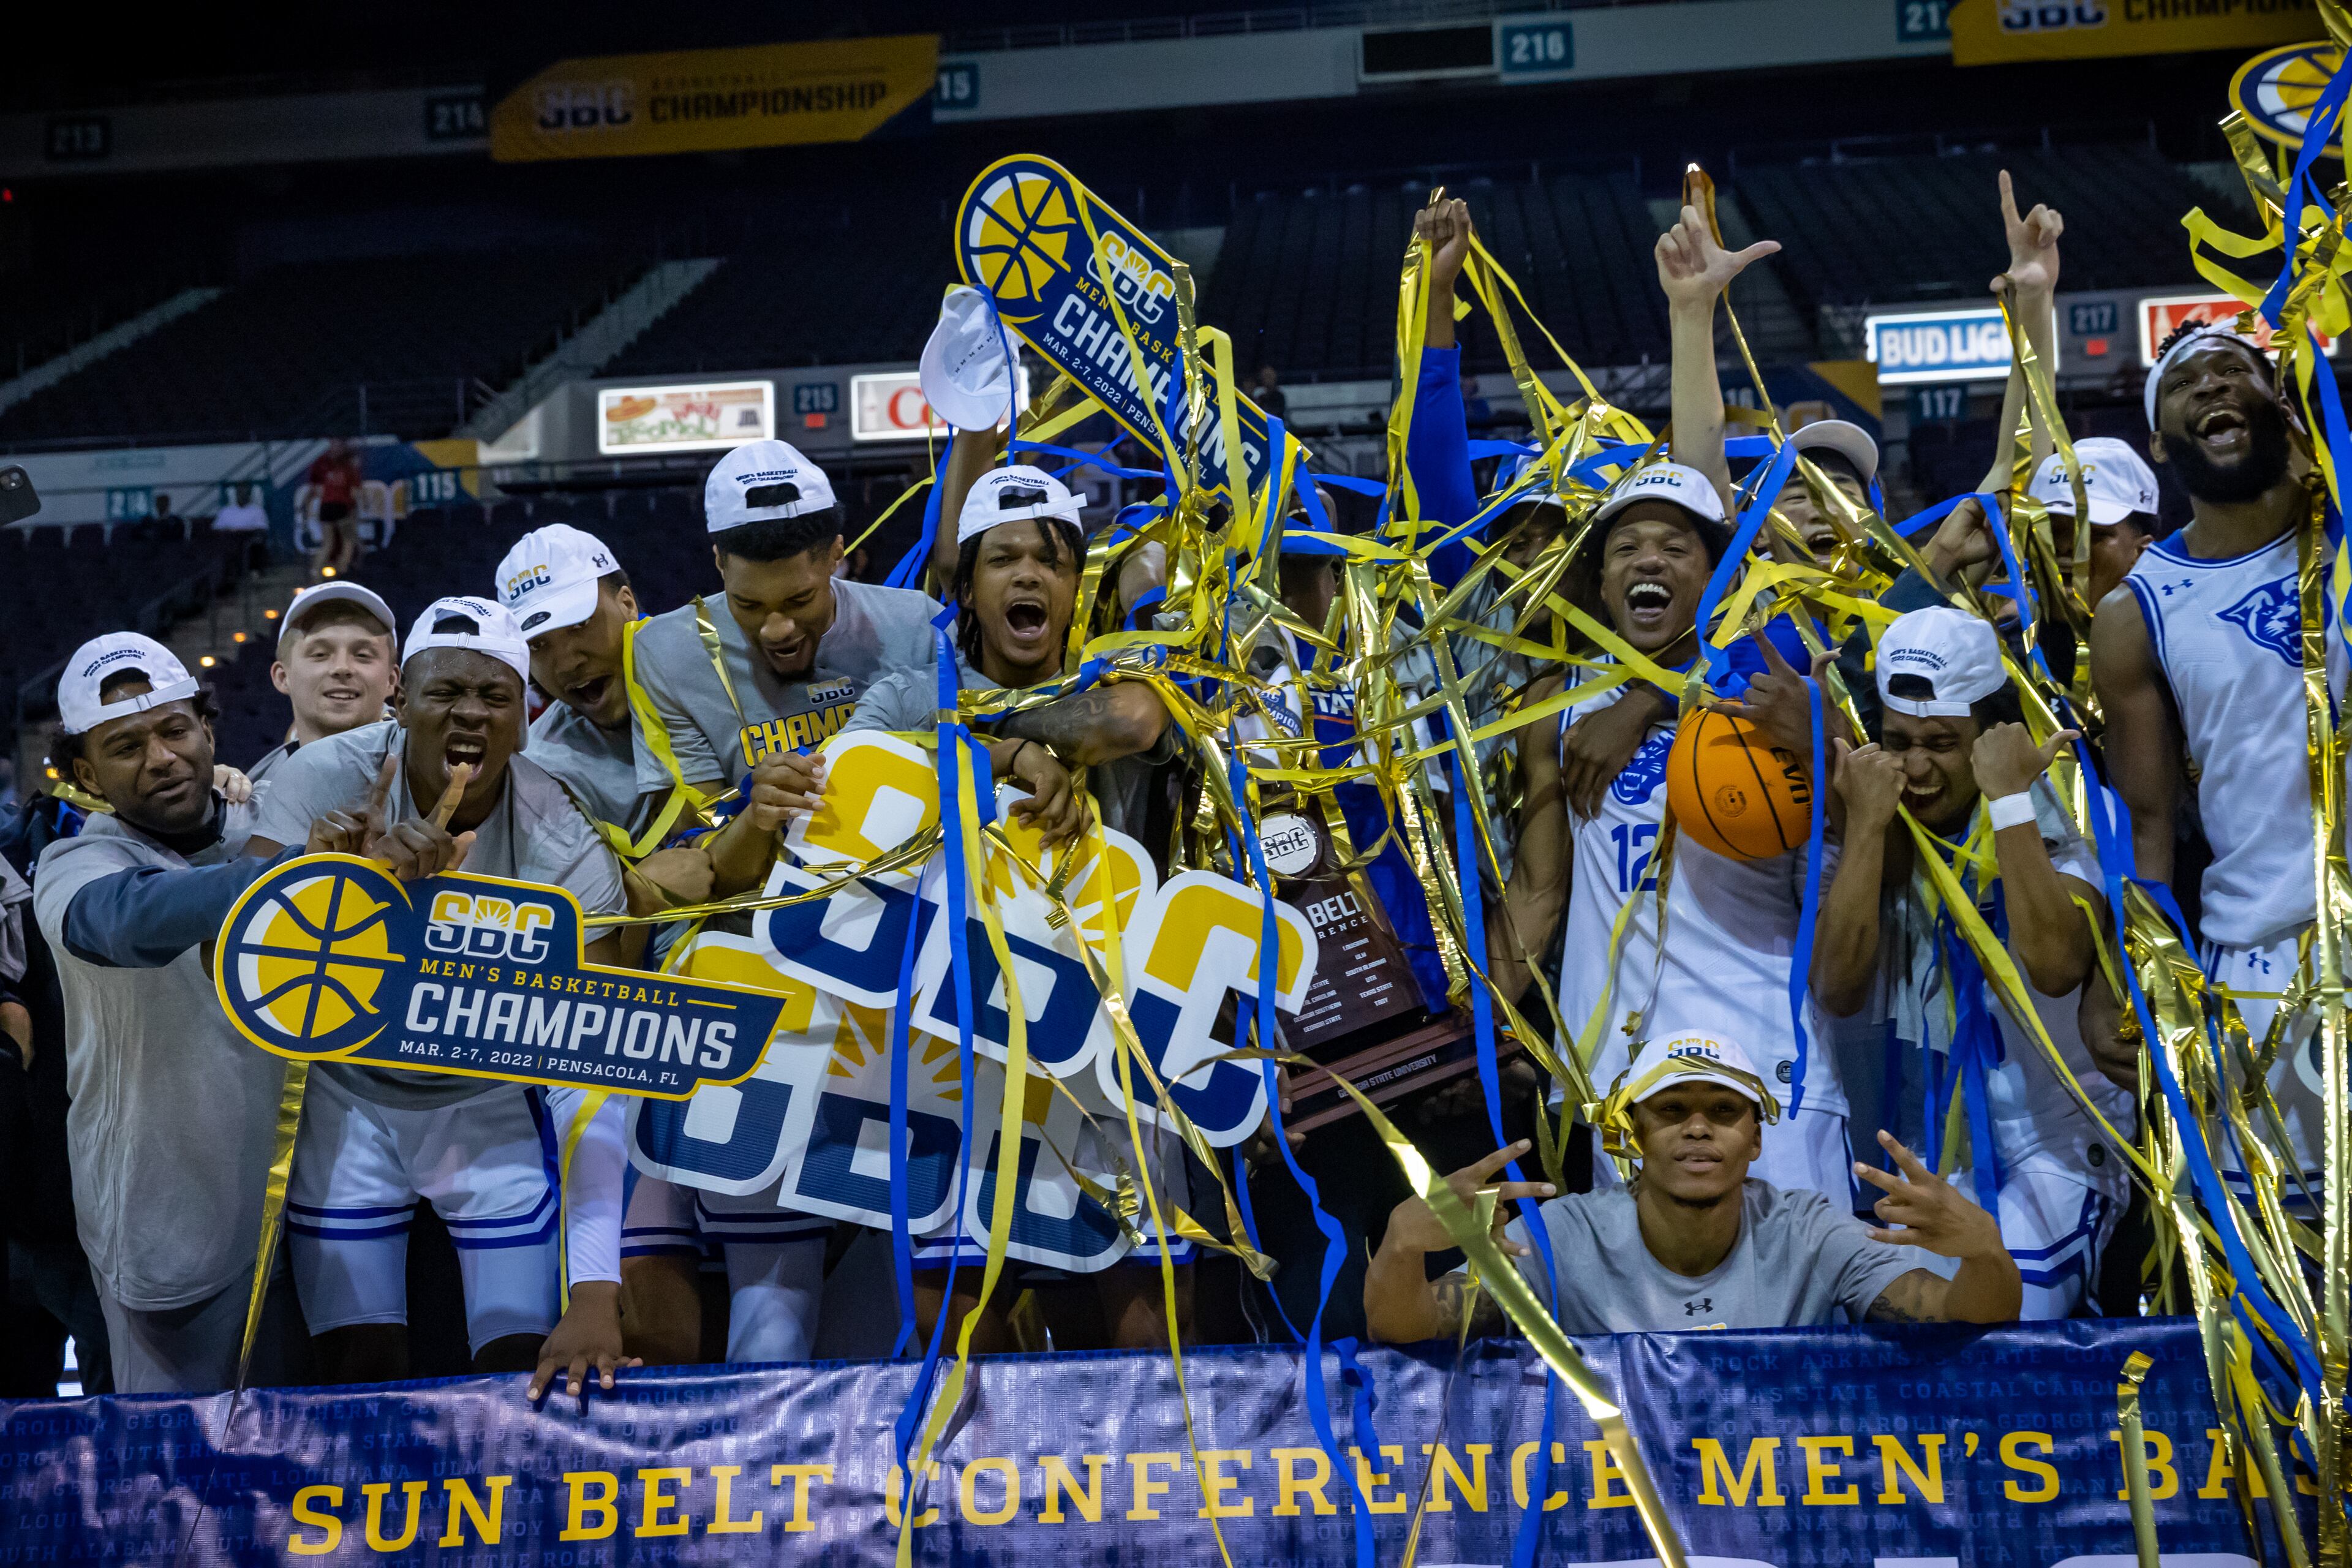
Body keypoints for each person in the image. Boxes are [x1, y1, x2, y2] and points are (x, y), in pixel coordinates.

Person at [241, 597, 636, 1401]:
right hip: (348, 1098)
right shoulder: (318, 779)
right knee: (357, 1373)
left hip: (485, 1101)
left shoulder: (563, 838)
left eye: (496, 697)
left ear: (526, 722)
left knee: (521, 1369)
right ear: (400, 704)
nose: (470, 713)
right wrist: (351, 893)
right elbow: (241, 957)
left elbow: (591, 1066)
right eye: (443, 692)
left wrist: (596, 1288)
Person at [843, 461, 1185, 1350]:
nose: (1028, 575)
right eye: (1002, 560)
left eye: (1050, 559)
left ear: (1077, 586)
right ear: (964, 586)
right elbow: (851, 782)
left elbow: (1133, 726)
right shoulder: (909, 691)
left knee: (1149, 1331)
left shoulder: (1123, 675)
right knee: (960, 1330)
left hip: (1108, 1050)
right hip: (951, 1054)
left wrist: (998, 741)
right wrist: (1007, 764)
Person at [1811, 608, 2134, 1317]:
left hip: (2056, 1148)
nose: (1918, 767)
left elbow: (2053, 966)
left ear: (1991, 735)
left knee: (2001, 1322)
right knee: (1887, 1325)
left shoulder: (2063, 803)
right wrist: (1863, 821)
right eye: (1899, 742)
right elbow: (1836, 988)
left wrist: (2009, 799)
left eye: (1941, 743)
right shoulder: (1886, 819)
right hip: (1930, 1156)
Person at [2090, 322, 2332, 1210]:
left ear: (2278, 400)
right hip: (2263, 967)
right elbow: (2149, 826)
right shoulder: (2138, 610)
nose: (2214, 385)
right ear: (2159, 440)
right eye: (2187, 382)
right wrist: (2137, 973)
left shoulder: (2343, 533)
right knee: (2297, 1265)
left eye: (2236, 370)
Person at [29, 634, 312, 1392]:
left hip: (310, 1216)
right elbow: (123, 923)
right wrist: (296, 873)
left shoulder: (273, 828)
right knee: (178, 1481)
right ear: (86, 773)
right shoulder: (74, 866)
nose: (162, 757)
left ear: (208, 731)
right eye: (126, 745)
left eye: (175, 729)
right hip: (171, 1227)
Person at [1363, 1032, 2021, 1340]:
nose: (1698, 1129)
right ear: (1634, 1135)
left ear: (1756, 1140)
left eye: (1724, 1111)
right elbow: (1407, 1328)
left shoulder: (1808, 1228)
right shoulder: (1567, 1234)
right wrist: (1400, 1247)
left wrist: (1986, 1255)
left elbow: (1964, 1319)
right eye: (1672, 1112)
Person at [627, 440, 941, 897]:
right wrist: (755, 814)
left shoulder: (917, 625)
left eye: (800, 601)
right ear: (719, 562)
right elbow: (703, 854)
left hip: (914, 889)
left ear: (837, 554)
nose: (777, 629)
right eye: (748, 605)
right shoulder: (665, 654)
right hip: (758, 914)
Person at [252, 581, 399, 783]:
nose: (342, 668)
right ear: (283, 677)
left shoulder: (429, 782)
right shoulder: (249, 794)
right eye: (320, 654)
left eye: (363, 655)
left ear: (391, 680)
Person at [308, 439, 363, 581]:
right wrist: (359, 506)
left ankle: (315, 572)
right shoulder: (348, 468)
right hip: (340, 507)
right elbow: (355, 493)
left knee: (328, 544)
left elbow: (315, 490)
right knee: (349, 540)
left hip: (326, 508)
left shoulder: (326, 466)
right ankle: (342, 570)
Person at [213, 479, 271, 576]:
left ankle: (254, 572)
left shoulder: (257, 511)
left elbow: (262, 528)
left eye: (245, 492)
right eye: (240, 492)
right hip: (229, 539)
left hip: (249, 538)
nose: (242, 495)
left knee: (256, 545)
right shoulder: (226, 511)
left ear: (249, 494)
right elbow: (217, 528)